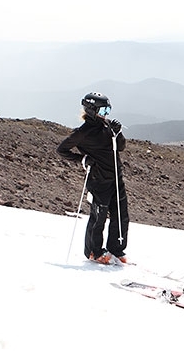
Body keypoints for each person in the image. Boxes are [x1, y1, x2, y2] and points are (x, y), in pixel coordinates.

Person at [57, 92, 130, 264]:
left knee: (121, 215)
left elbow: (120, 148)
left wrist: (118, 133)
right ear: (91, 110)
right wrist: (83, 160)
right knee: (99, 216)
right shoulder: (82, 133)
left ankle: (116, 250)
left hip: (116, 178)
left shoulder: (108, 127)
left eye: (108, 111)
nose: (106, 116)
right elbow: (61, 150)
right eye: (103, 111)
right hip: (99, 181)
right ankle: (94, 252)